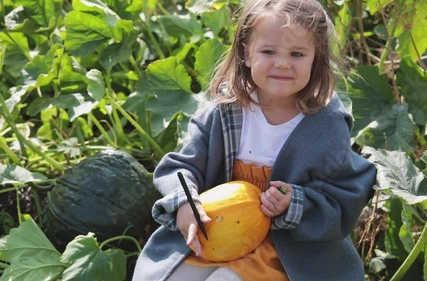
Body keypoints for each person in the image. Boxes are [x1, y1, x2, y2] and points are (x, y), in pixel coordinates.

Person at [132, 0, 377, 280]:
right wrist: (185, 202)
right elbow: (181, 166)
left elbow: (341, 198)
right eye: (269, 51)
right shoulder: (225, 111)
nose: (282, 63)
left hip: (288, 250)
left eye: (297, 53)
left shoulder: (326, 125)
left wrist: (294, 203)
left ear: (316, 59)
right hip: (217, 229)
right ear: (246, 53)